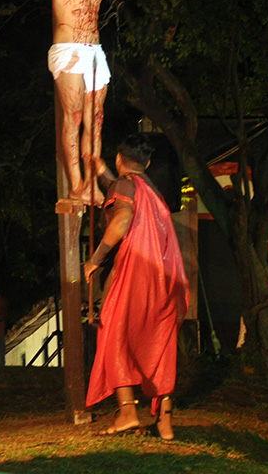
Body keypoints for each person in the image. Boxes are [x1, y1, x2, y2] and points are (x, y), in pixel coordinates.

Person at [0, 0, 169, 205]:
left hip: (94, 52)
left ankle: (91, 182)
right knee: (73, 118)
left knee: (95, 120)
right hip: (69, 50)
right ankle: (77, 184)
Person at [83, 133, 188, 439]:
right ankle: (165, 422)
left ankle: (128, 412)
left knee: (113, 333)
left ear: (120, 158)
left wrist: (97, 259)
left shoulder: (125, 186)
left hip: (139, 273)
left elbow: (122, 217)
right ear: (148, 163)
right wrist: (103, 172)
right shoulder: (150, 188)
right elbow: (125, 189)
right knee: (161, 343)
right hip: (168, 276)